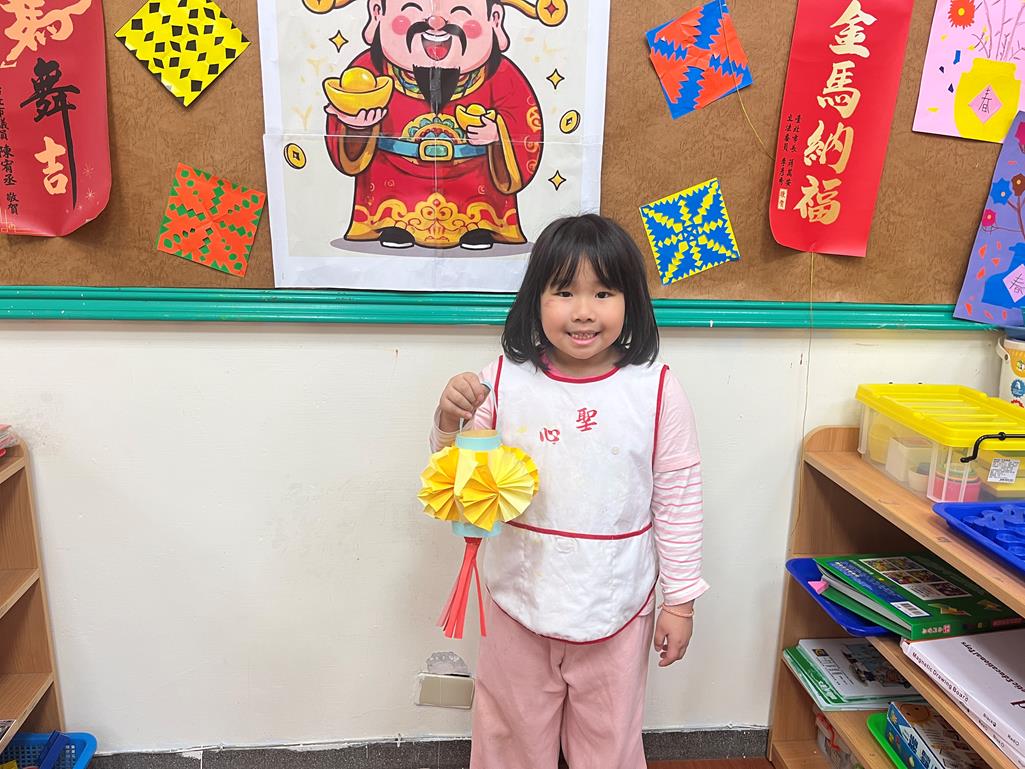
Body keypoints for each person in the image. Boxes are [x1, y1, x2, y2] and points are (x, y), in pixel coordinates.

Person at [429, 214, 708, 768]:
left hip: (617, 604)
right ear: (536, 299)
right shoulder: (501, 379)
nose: (583, 311)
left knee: (609, 745)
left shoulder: (655, 388)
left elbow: (678, 499)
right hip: (518, 598)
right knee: (509, 740)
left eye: (603, 293)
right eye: (563, 292)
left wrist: (679, 602)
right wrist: (448, 419)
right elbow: (459, 487)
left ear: (631, 301)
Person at [324, 0, 543, 250]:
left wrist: (497, 134)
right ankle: (393, 221)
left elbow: (525, 123)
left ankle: (481, 224)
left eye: (461, 12)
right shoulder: (369, 71)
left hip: (475, 180)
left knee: (481, 206)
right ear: (377, 13)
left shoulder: (501, 75)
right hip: (393, 178)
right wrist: (356, 127)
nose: (435, 22)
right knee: (390, 200)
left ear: (494, 19)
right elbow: (345, 131)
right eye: (411, 9)